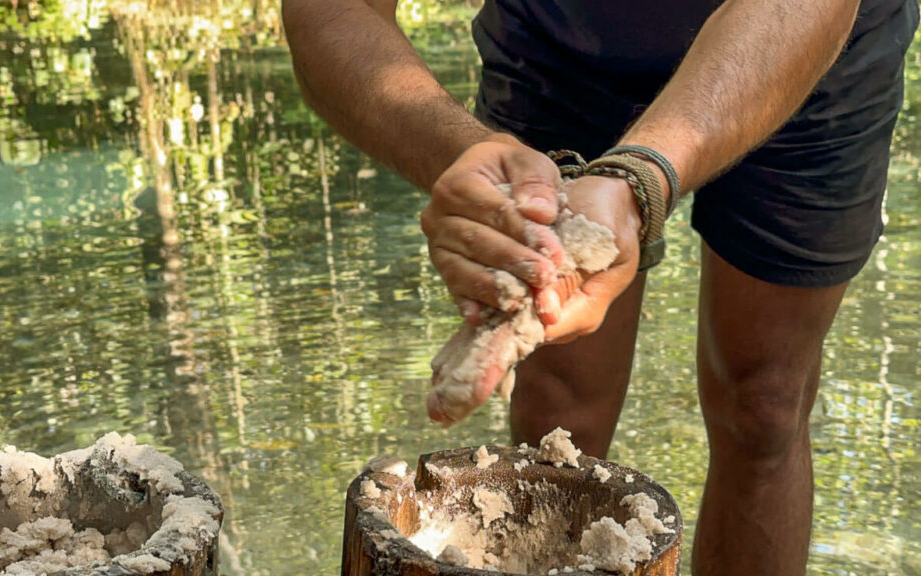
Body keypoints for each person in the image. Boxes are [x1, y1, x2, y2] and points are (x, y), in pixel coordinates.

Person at [283, 0, 918, 574]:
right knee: (558, 404)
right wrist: (463, 153)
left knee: (765, 403)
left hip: (806, 36)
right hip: (560, 41)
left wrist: (640, 176)